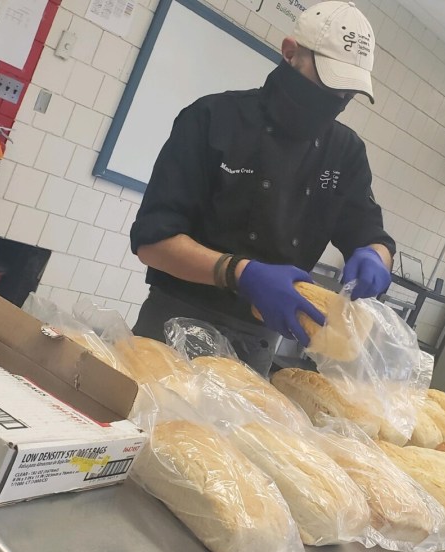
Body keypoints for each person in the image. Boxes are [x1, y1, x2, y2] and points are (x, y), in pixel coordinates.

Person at [130, 1, 395, 374]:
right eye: (328, 85)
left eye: (346, 95)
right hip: (172, 326)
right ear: (290, 53)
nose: (334, 102)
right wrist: (241, 273)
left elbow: (371, 235)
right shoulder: (211, 119)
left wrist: (375, 257)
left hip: (258, 347)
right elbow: (152, 242)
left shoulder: (345, 152)